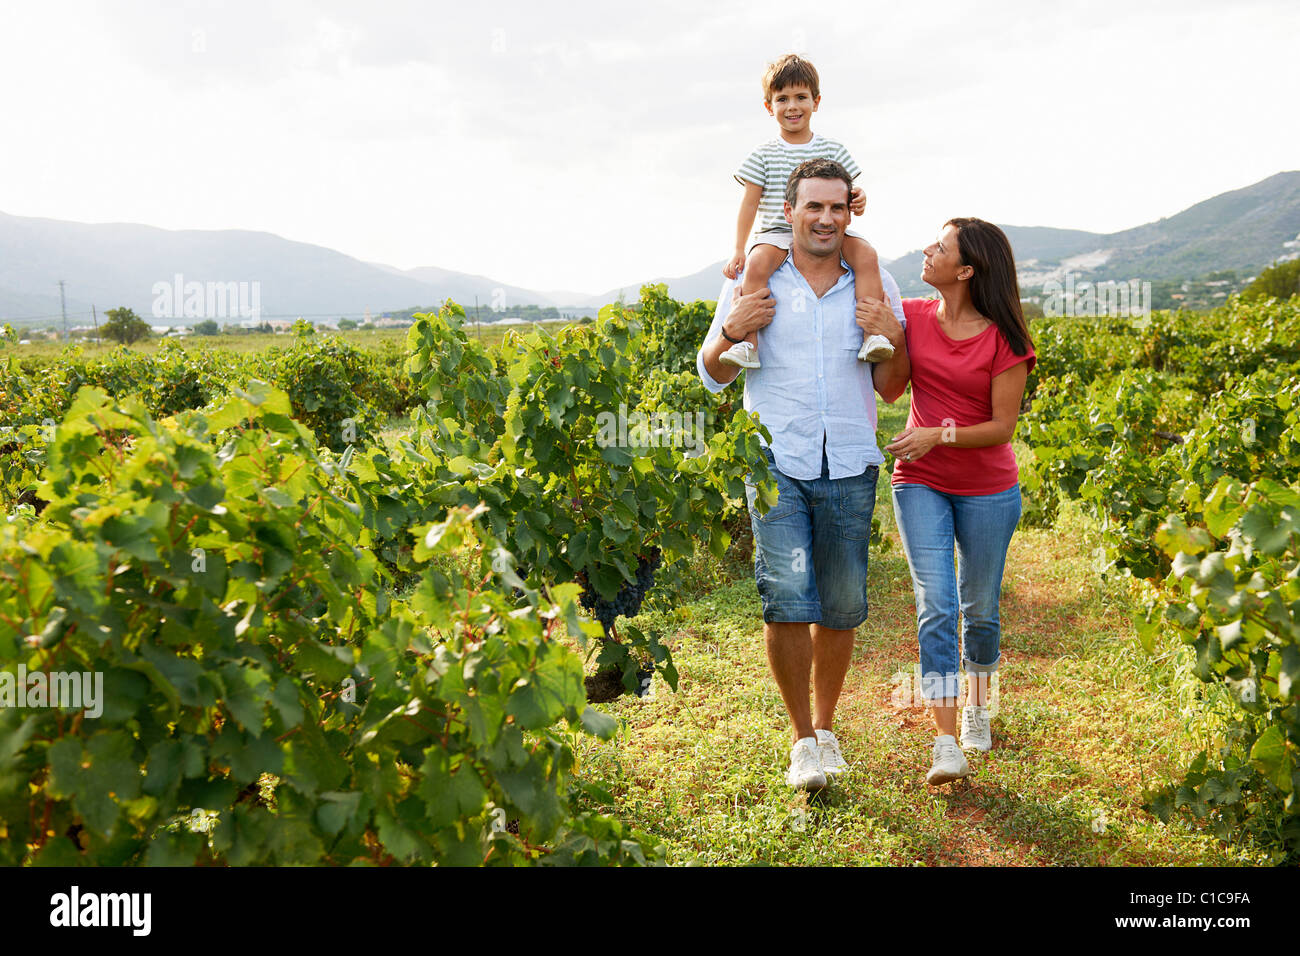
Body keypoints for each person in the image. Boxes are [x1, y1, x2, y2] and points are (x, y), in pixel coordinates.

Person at [698, 158, 908, 791]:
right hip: (776, 463)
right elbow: (713, 372)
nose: (825, 218)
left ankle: (827, 727)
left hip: (847, 459)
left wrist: (891, 334)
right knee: (788, 599)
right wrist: (732, 331)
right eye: (812, 207)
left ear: (851, 212)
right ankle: (801, 742)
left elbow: (892, 389)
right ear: (787, 213)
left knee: (841, 607)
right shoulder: (757, 280)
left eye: (836, 208)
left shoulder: (876, 283)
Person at [874, 218, 1036, 786]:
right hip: (918, 479)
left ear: (966, 270)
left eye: (940, 246)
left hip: (989, 488)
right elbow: (890, 388)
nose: (927, 249)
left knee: (980, 610)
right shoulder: (914, 318)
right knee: (937, 604)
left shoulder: (1005, 338)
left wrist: (936, 433)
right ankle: (946, 740)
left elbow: (1001, 426)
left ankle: (977, 704)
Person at [718, 54, 893, 370]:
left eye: (801, 97)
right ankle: (748, 344)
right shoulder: (762, 155)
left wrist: (859, 198)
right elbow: (750, 203)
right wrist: (739, 249)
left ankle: (873, 336)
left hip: (826, 228)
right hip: (775, 232)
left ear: (816, 101)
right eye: (782, 98)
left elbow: (851, 191)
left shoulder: (834, 150)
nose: (792, 106)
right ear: (769, 107)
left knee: (866, 254)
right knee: (757, 266)